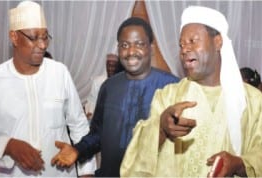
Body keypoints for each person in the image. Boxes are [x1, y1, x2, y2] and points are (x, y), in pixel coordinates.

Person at [120, 6, 262, 177]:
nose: (184, 49)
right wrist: (161, 129)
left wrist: (239, 164)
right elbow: (135, 159)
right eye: (181, 45)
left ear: (217, 42)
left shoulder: (252, 102)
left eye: (192, 41)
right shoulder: (168, 96)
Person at [0, 1, 96, 177]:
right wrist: (8, 146)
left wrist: (87, 171)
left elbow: (79, 126)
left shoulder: (59, 72)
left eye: (45, 37)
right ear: (14, 37)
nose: (42, 45)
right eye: (34, 37)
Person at [51, 17, 180, 177]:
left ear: (151, 48)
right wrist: (77, 150)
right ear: (118, 49)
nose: (131, 51)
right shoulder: (108, 87)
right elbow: (98, 134)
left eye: (139, 44)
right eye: (125, 45)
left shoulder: (173, 87)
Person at [84, 53, 122, 120]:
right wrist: (90, 111)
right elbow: (92, 99)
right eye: (108, 66)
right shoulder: (98, 81)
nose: (110, 69)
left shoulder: (121, 83)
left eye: (113, 66)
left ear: (117, 67)